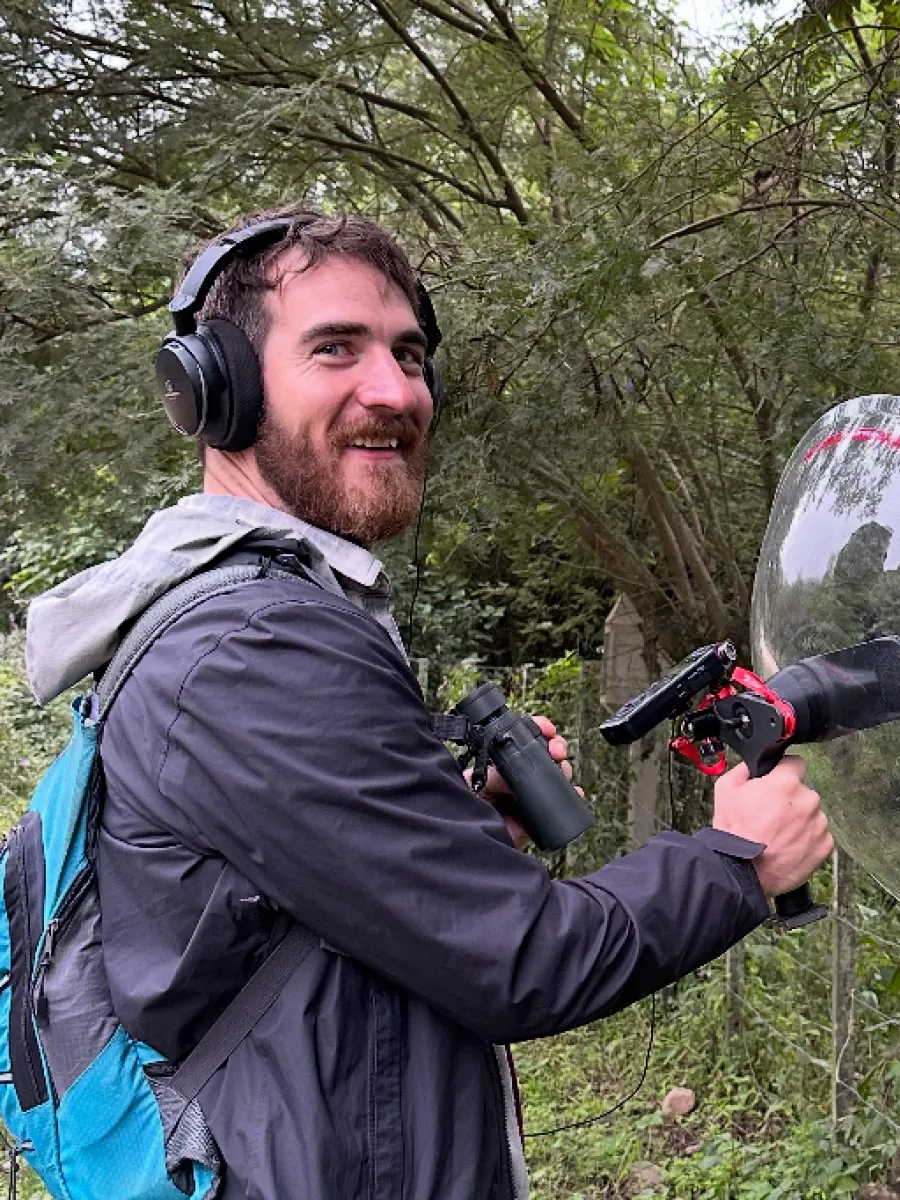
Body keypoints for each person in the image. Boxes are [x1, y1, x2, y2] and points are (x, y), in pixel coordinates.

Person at [25, 206, 833, 1200]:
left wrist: (450, 828)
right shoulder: (253, 647)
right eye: (335, 349)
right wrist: (738, 862)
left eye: (410, 357)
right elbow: (525, 960)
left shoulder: (243, 610)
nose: (393, 391)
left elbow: (307, 917)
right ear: (214, 390)